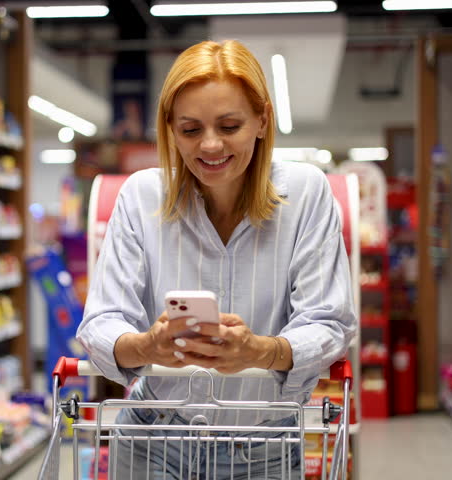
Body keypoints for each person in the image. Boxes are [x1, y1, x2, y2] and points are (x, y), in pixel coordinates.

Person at [77, 39, 357, 480]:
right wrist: (148, 346)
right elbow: (102, 320)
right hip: (153, 438)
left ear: (263, 119)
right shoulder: (140, 196)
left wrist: (260, 351)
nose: (210, 146)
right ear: (169, 128)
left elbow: (330, 320)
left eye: (229, 126)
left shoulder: (306, 194)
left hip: (263, 446)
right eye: (190, 129)